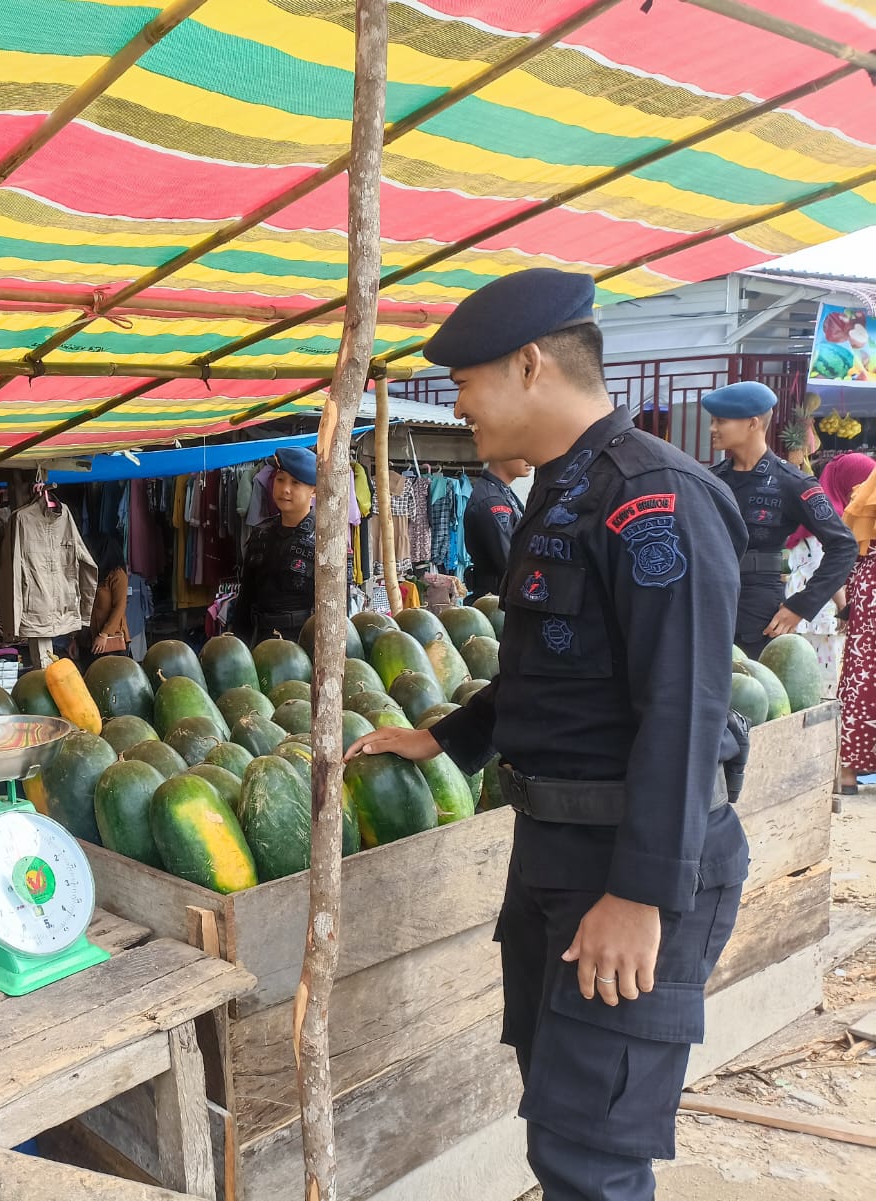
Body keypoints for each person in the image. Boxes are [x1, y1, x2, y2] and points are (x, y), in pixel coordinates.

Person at [345, 268, 750, 1201]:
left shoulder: (656, 500)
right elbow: (549, 670)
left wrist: (640, 896)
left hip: (629, 866)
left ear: (532, 365)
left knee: (591, 1155)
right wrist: (448, 737)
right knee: (558, 1114)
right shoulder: (563, 492)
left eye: (464, 382)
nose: (456, 404)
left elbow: (683, 708)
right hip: (557, 853)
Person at [703, 381, 857, 658]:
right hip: (706, 602)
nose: (712, 429)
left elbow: (844, 545)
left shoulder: (792, 482)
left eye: (720, 421)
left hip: (757, 611)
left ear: (752, 424)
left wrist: (801, 605)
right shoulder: (710, 480)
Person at [814, 454, 876, 793]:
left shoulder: (865, 498)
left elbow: (847, 557)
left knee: (862, 675)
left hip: (868, 589)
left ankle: (848, 771)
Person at [231, 446, 317, 644]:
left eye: (295, 483)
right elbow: (245, 599)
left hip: (303, 645)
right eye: (280, 479)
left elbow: (337, 611)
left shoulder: (324, 541)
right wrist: (238, 643)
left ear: (314, 490)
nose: (285, 489)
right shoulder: (261, 533)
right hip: (260, 642)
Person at [464, 458, 532, 600]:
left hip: (499, 595)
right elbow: (509, 562)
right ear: (501, 452)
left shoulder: (500, 491)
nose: (530, 458)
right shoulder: (492, 500)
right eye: (522, 452)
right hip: (496, 599)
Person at [81, 539, 132, 665]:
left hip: (110, 639)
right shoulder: (93, 573)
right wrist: (75, 638)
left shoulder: (118, 575)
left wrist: (104, 634)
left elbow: (120, 606)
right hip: (89, 639)